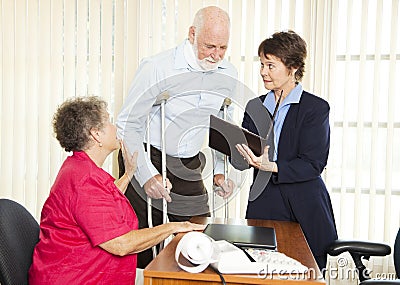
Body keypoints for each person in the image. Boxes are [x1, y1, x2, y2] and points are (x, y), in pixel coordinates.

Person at [28, 96, 205, 285]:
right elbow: (121, 244)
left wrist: (129, 174)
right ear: (96, 134)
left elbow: (103, 201)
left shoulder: (79, 167)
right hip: (76, 279)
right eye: (109, 122)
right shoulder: (84, 180)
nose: (115, 127)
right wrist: (174, 227)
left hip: (86, 273)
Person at [116, 6, 238, 268]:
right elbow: (128, 124)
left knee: (198, 237)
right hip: (148, 154)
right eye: (209, 46)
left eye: (223, 48)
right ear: (192, 34)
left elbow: (221, 127)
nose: (216, 55)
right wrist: (146, 175)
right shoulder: (157, 68)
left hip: (189, 161)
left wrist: (218, 171)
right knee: (145, 240)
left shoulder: (227, 73)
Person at [235, 30, 337, 271]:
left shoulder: (316, 108)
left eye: (271, 65)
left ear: (292, 68)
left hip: (304, 205)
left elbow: (314, 163)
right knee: (259, 271)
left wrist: (273, 166)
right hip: (264, 202)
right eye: (261, 64)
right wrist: (233, 150)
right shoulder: (255, 106)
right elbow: (241, 159)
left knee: (306, 275)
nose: (263, 72)